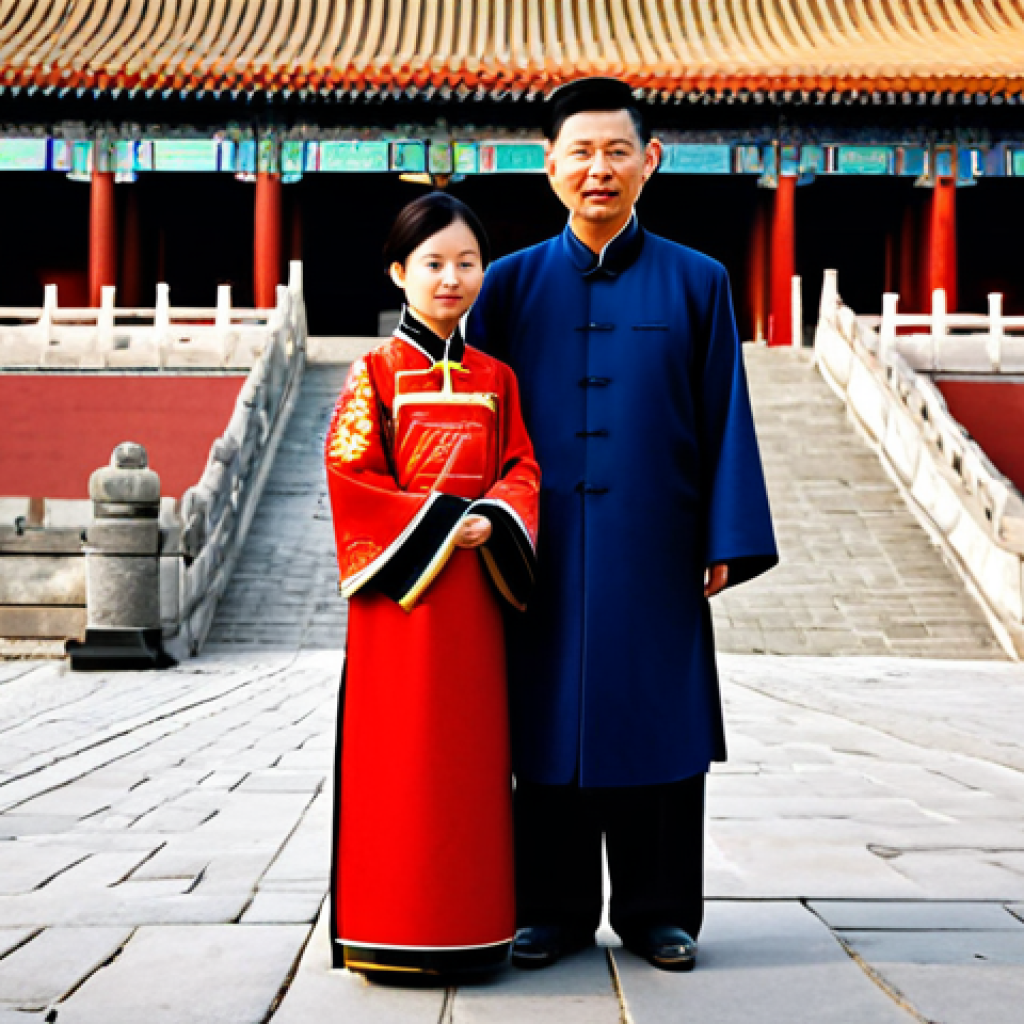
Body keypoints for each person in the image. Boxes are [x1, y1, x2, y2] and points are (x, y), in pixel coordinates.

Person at [467, 77, 778, 973]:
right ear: (549, 166)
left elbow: (724, 411)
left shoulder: (698, 280)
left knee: (657, 719)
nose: (597, 169)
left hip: (656, 541)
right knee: (542, 723)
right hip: (538, 548)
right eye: (580, 152)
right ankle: (549, 909)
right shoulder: (508, 286)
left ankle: (659, 910)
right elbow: (478, 416)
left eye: (616, 151)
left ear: (650, 160)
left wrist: (724, 536)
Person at [325, 192, 541, 977]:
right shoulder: (376, 374)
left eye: (467, 263)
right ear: (398, 273)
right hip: (400, 603)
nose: (451, 278)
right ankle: (388, 925)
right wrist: (447, 521)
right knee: (398, 760)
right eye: (433, 263)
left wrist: (494, 516)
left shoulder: (497, 378)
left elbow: (522, 468)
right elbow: (350, 474)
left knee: (471, 761)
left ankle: (473, 925)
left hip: (475, 601)